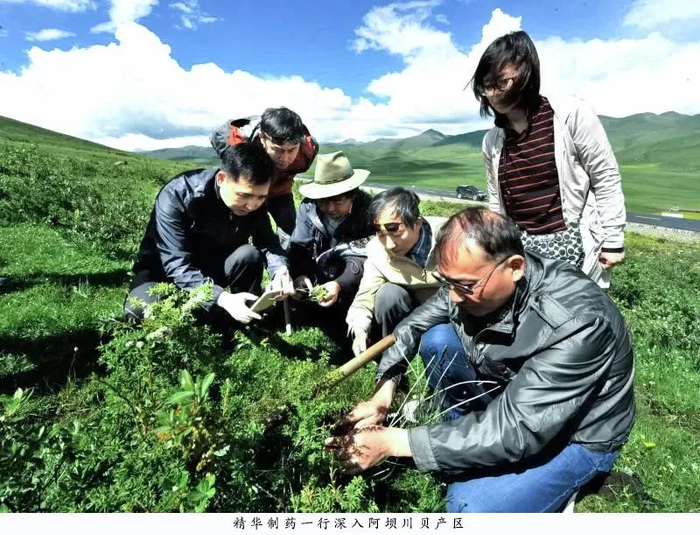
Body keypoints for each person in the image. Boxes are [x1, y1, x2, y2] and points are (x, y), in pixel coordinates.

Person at [326, 208, 635, 513]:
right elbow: (413, 327)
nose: (453, 296)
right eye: (446, 282)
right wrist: (383, 394)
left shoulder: (577, 324)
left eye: (464, 286)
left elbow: (517, 429)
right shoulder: (470, 278)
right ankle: (459, 437)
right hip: (514, 393)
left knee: (468, 507)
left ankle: (579, 479)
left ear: (515, 267)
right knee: (437, 339)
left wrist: (395, 442)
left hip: (576, 433)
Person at [471, 30, 626, 288]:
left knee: (577, 311)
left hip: (573, 243)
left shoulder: (570, 115)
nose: (495, 93)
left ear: (526, 72)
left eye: (502, 82)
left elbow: (605, 176)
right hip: (523, 250)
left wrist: (613, 240)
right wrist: (500, 246)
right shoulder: (492, 141)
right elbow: (496, 201)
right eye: (487, 86)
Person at [124, 143, 294, 324]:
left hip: (214, 268)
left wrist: (280, 271)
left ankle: (250, 316)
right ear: (221, 179)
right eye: (243, 195)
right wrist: (222, 298)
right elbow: (175, 264)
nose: (252, 205)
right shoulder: (177, 195)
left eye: (261, 197)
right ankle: (217, 311)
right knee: (139, 310)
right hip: (162, 274)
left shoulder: (254, 200)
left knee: (248, 254)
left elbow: (267, 242)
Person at [346, 187, 445, 356]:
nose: (389, 244)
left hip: (450, 308)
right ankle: (394, 354)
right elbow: (364, 298)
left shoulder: (450, 236)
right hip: (410, 310)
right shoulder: (377, 251)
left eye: (395, 232)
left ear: (417, 224)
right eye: (381, 234)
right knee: (388, 294)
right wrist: (360, 331)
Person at [288, 151, 374, 345]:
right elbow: (299, 246)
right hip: (318, 273)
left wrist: (339, 284)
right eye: (324, 200)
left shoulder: (368, 211)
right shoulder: (308, 208)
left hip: (353, 276)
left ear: (352, 194)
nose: (330, 208)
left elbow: (366, 256)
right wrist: (300, 275)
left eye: (338, 200)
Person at [210, 107, 319, 247]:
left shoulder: (308, 151)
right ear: (262, 138)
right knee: (243, 234)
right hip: (248, 192)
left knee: (292, 234)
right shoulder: (236, 143)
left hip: (280, 191)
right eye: (278, 150)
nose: (285, 158)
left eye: (292, 150)